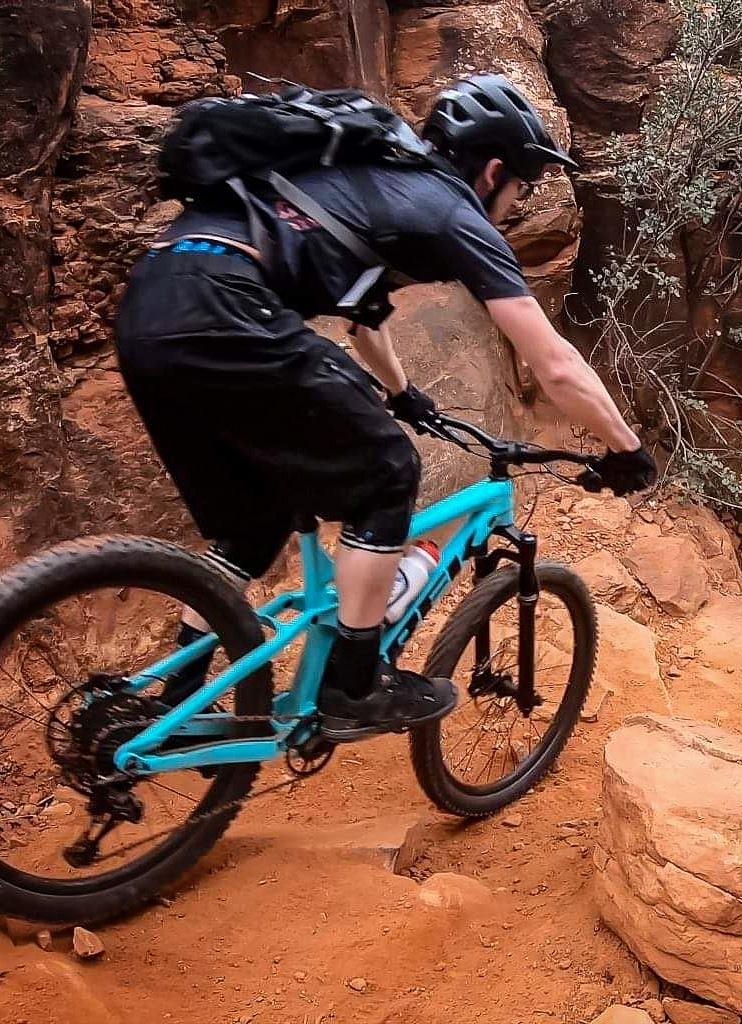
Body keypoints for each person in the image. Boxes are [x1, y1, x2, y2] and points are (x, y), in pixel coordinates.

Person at [115, 74, 656, 740]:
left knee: (252, 526)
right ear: (491, 171)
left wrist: (403, 393)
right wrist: (627, 449)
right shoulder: (449, 208)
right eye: (523, 185)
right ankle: (353, 683)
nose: (519, 204)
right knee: (388, 473)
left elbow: (365, 323)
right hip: (226, 306)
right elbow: (555, 364)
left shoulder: (374, 187)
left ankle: (175, 697)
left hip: (150, 306)